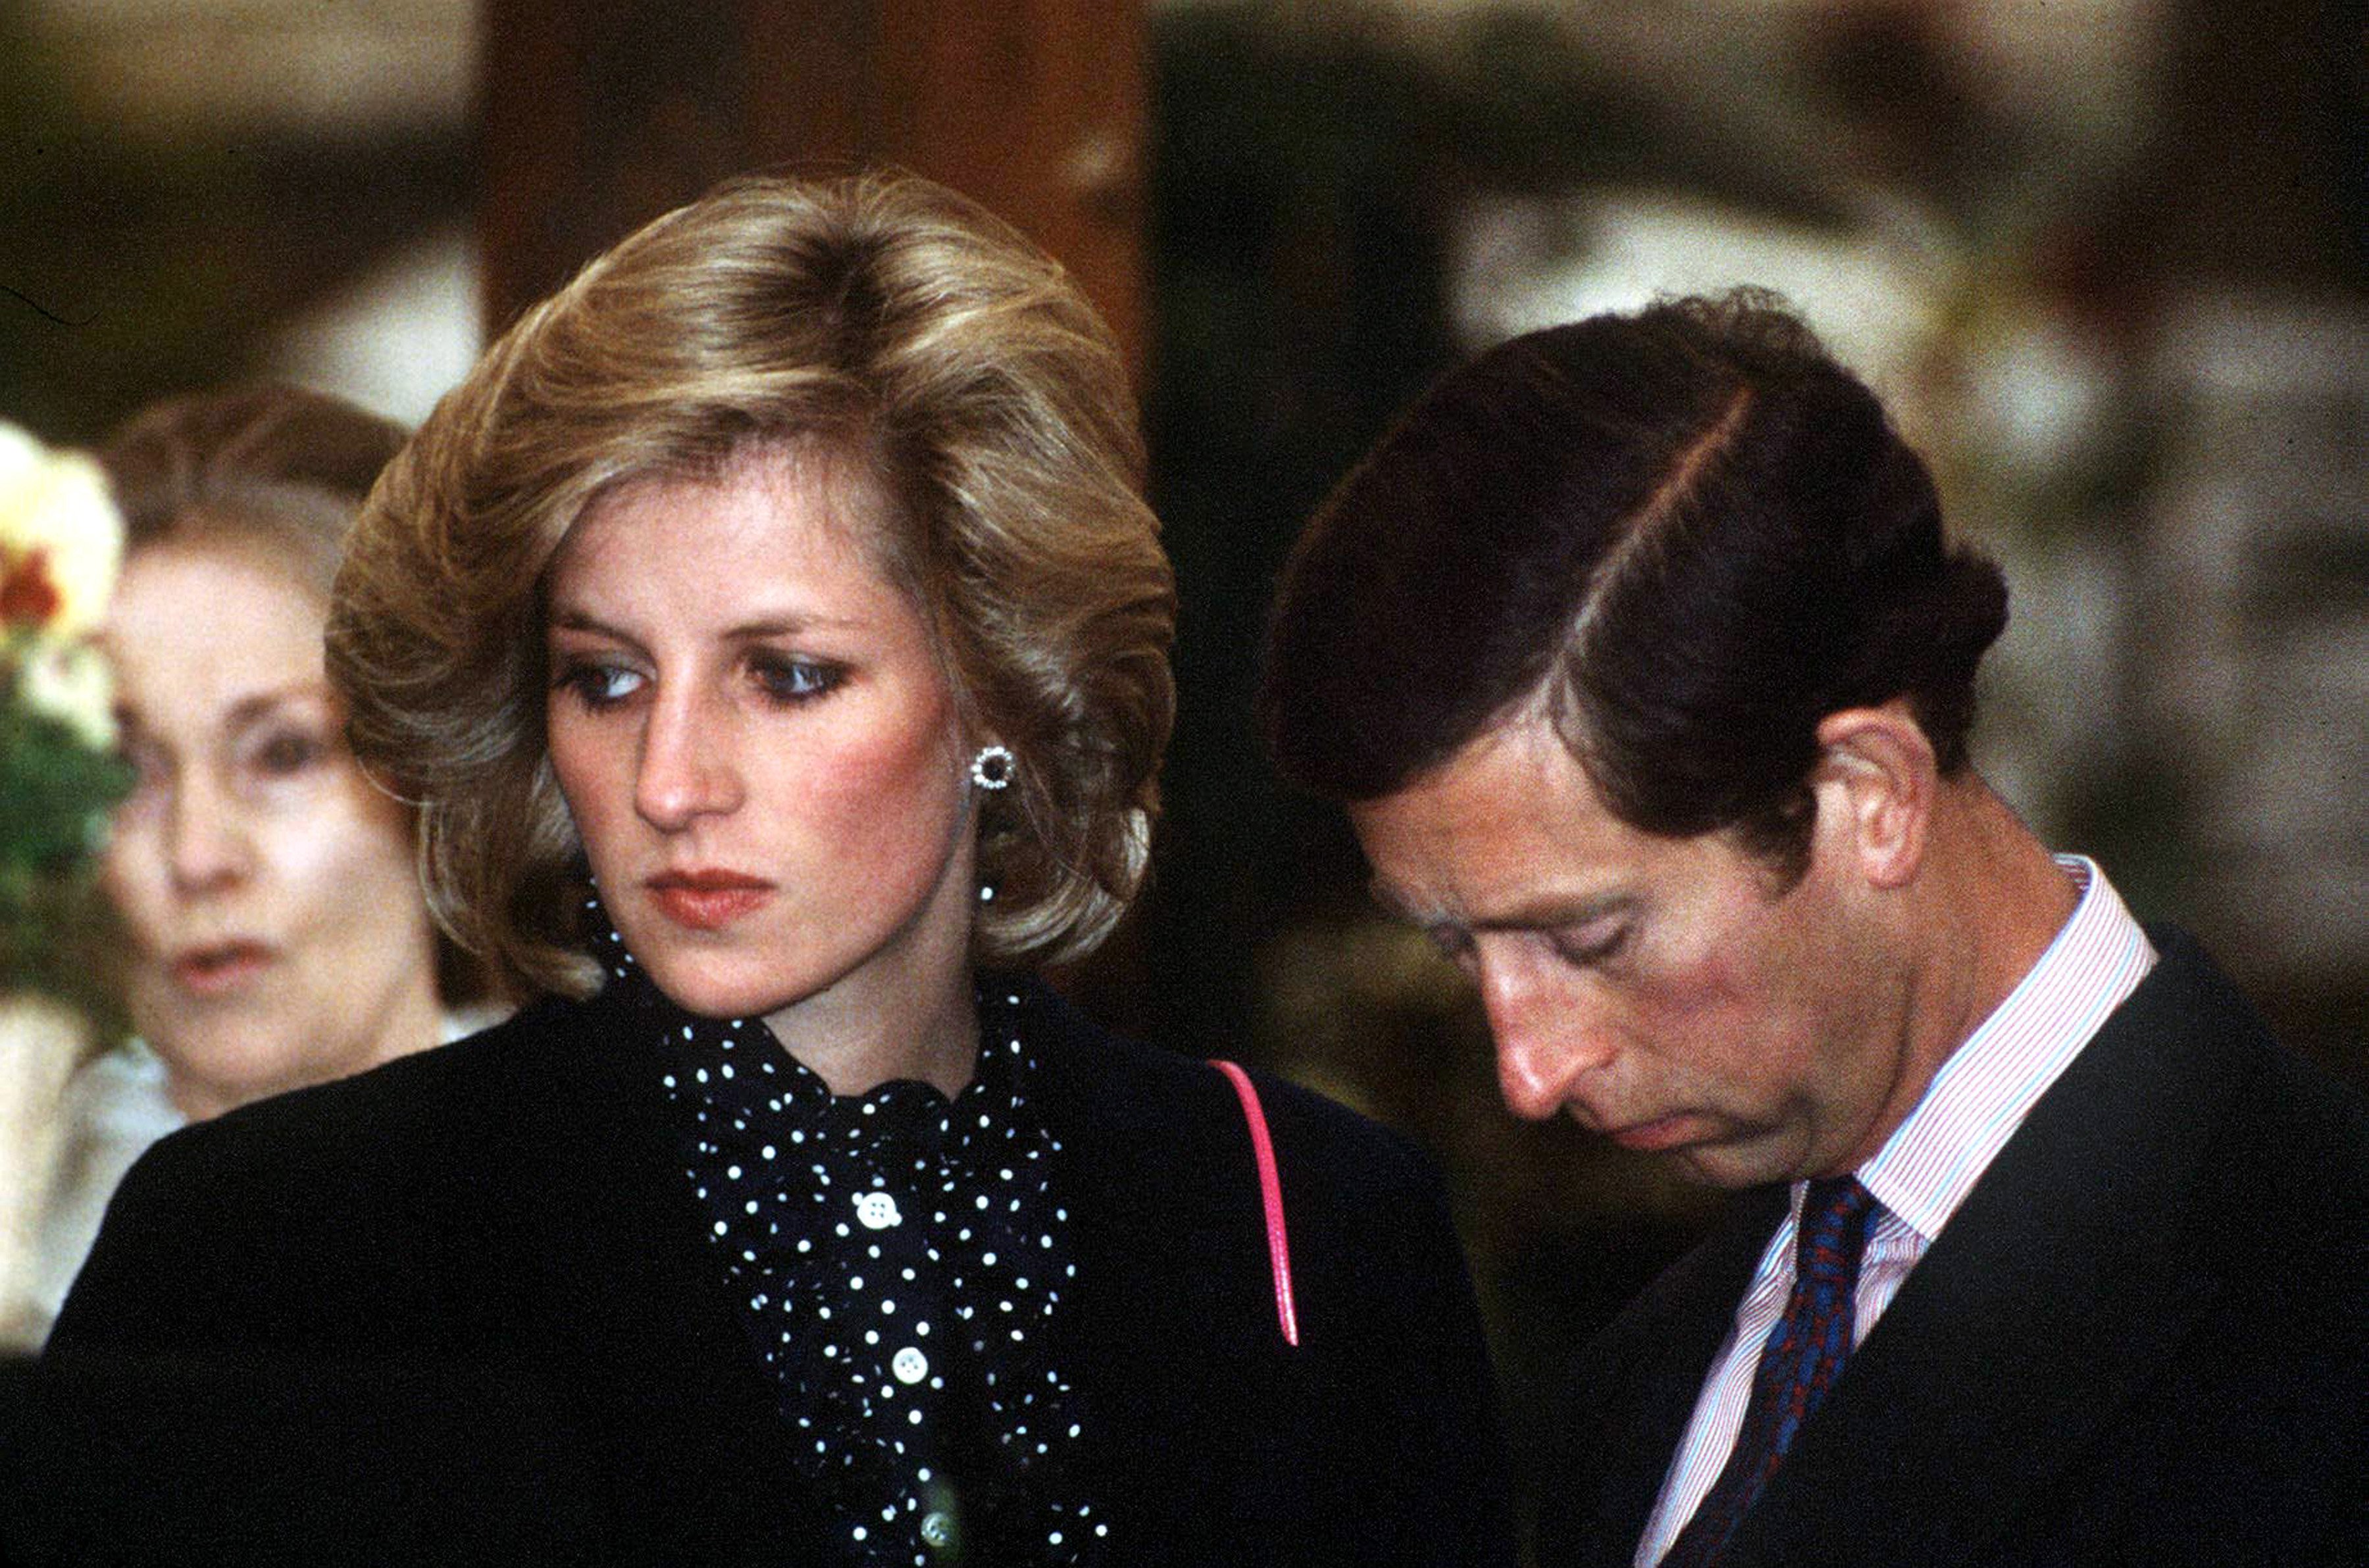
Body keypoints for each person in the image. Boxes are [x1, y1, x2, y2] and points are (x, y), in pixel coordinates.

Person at [30, 172, 1513, 1566]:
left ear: (1002, 686)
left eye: (788, 676)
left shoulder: (1310, 1224)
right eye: (605, 681)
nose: (671, 781)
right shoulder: (266, 1246)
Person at [1259, 292, 2369, 1567]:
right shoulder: (1647, 1374)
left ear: (1868, 796)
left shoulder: (2322, 1318)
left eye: (1592, 938)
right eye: (1459, 947)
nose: (1529, 1070)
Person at [18, 386, 490, 1345]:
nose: (197, 857)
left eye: (284, 754)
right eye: (124, 769)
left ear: (445, 773)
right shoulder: (26, 1250)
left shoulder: (633, 1188)